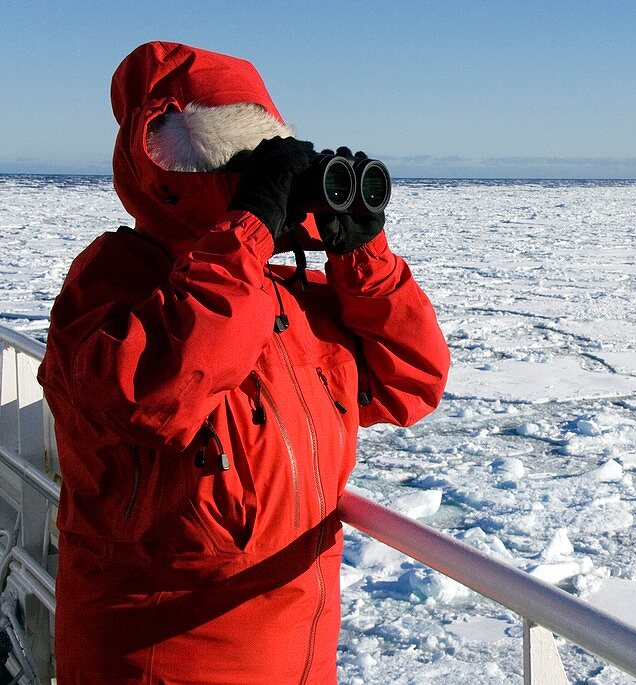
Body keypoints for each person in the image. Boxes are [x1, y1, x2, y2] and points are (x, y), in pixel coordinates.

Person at [37, 41, 450, 683]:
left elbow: (412, 382)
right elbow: (158, 390)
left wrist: (362, 257)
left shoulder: (282, 298)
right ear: (178, 167)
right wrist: (250, 229)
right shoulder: (115, 284)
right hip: (158, 660)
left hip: (298, 656)